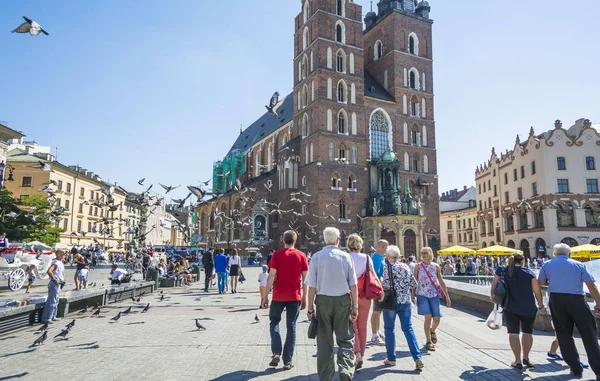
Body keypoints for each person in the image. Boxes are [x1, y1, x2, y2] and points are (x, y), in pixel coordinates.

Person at [538, 243, 600, 379]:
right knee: (589, 334)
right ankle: (598, 370)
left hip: (556, 301)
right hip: (577, 300)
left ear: (554, 254)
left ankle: (575, 368)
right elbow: (592, 286)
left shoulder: (547, 264)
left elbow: (540, 282)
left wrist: (552, 281)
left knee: (563, 335)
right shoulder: (578, 265)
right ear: (569, 254)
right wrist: (598, 303)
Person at [305, 227, 358, 381]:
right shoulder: (346, 257)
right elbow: (353, 284)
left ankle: (326, 377)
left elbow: (311, 286)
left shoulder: (316, 257)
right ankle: (345, 370)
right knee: (346, 339)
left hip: (323, 301)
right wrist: (355, 306)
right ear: (338, 240)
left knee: (324, 343)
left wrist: (310, 308)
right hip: (342, 300)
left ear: (324, 240)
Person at [262, 230, 309, 370]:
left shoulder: (277, 255)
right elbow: (306, 279)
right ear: (295, 241)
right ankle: (287, 361)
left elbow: (271, 276)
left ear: (283, 240)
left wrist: (265, 296)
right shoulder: (301, 256)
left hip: (278, 295)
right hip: (294, 296)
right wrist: (304, 297)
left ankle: (276, 352)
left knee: (274, 322)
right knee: (291, 326)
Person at [490, 252, 544, 370]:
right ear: (523, 261)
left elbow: (494, 286)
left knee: (513, 334)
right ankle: (526, 358)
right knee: (527, 332)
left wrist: (494, 299)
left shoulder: (502, 270)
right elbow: (537, 291)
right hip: (529, 307)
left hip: (510, 307)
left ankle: (517, 360)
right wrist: (540, 304)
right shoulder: (529, 273)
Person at [379, 245, 423, 370]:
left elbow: (384, 285)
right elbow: (414, 283)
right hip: (405, 302)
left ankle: (391, 359)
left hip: (390, 303)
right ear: (398, 256)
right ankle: (417, 357)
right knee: (408, 329)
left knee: (389, 329)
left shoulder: (386, 268)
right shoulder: (405, 266)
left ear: (388, 257)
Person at [347, 233, 382, 370]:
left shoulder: (346, 257)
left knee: (352, 326)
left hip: (350, 295)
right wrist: (381, 290)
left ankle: (357, 353)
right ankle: (362, 353)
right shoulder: (367, 258)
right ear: (360, 245)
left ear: (349, 245)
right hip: (365, 296)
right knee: (362, 326)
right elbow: (373, 275)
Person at [414, 247, 451, 352]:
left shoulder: (436, 267)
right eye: (422, 253)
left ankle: (433, 330)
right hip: (422, 295)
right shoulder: (418, 266)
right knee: (428, 318)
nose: (423, 254)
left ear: (430, 253)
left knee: (437, 319)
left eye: (425, 253)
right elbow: (414, 281)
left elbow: (441, 282)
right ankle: (428, 341)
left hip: (434, 295)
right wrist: (412, 295)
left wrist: (447, 297)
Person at [370, 239, 389, 345]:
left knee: (379, 312)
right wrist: (381, 281)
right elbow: (375, 274)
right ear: (382, 247)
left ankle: (377, 330)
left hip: (381, 288)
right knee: (376, 311)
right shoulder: (376, 258)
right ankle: (374, 335)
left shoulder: (380, 258)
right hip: (378, 288)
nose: (387, 249)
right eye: (386, 246)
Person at [41, 250, 66, 323]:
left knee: (56, 300)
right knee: (52, 301)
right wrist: (55, 279)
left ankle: (53, 316)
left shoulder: (60, 262)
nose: (64, 255)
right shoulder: (56, 263)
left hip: (58, 284)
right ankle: (47, 318)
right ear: (58, 254)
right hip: (54, 284)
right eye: (63, 254)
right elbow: (49, 271)